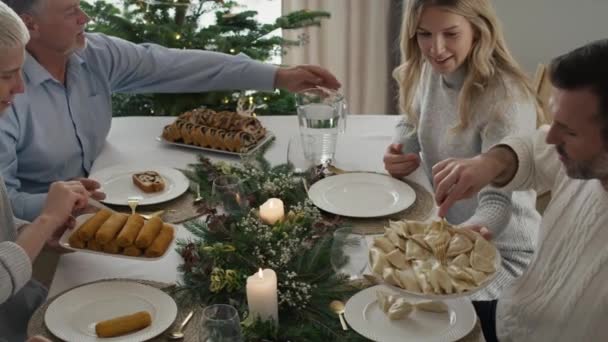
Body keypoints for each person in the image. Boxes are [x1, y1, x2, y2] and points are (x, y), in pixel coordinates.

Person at [0, 0, 341, 221]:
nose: (85, 18)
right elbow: (6, 205)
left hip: (113, 199)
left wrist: (277, 75)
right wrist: (57, 206)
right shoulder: (6, 96)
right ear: (30, 25)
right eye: (70, 10)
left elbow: (175, 65)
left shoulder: (96, 54)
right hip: (47, 236)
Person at [432, 39, 608, 342]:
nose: (552, 137)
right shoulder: (584, 158)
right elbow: (535, 147)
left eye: (570, 131)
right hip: (509, 317)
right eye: (555, 120)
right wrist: (488, 162)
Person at [383, 0, 542, 301]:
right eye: (424, 34)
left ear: (478, 30)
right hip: (451, 234)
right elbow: (412, 118)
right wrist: (400, 150)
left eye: (451, 34)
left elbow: (497, 204)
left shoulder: (505, 98)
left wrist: (446, 245)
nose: (436, 48)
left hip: (501, 255)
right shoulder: (431, 70)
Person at [0, 2, 90, 340]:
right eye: (7, 75)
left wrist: (30, 233)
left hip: (23, 307)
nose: (21, 88)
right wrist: (45, 220)